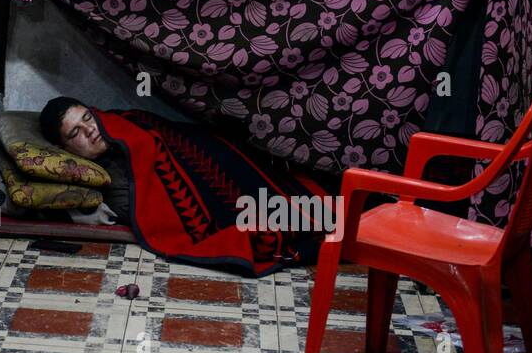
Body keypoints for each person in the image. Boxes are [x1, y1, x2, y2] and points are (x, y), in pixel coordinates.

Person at [38, 96, 331, 276]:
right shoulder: (107, 176)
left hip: (219, 152)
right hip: (229, 202)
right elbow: (153, 209)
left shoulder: (120, 123)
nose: (91, 129)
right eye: (76, 132)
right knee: (286, 214)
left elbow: (168, 136)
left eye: (88, 117)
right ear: (64, 149)